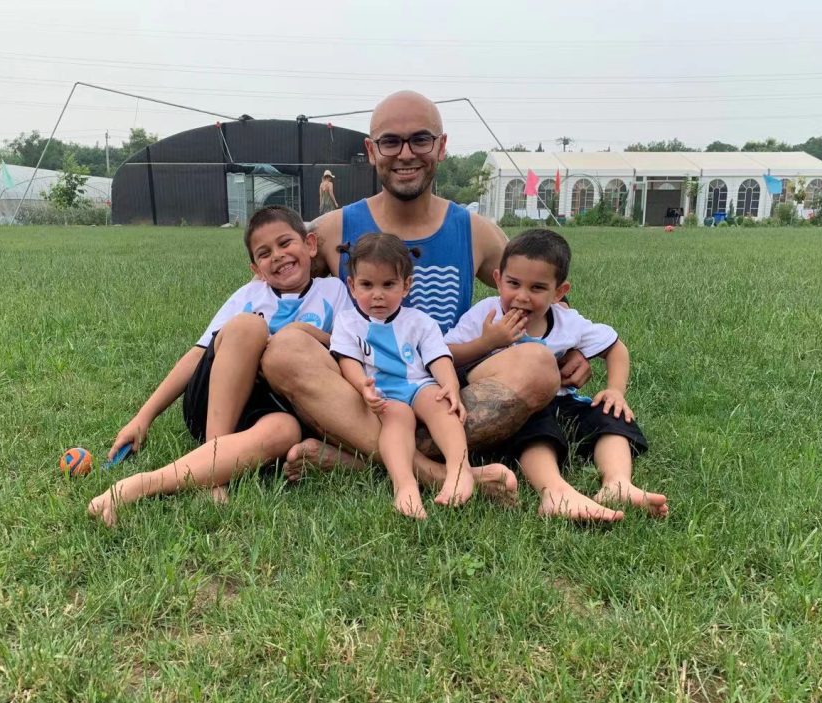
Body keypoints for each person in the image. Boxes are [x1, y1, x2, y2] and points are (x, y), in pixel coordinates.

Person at [262, 90, 590, 495]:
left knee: (538, 365)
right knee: (283, 350)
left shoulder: (475, 231)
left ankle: (357, 456)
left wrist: (572, 347)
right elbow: (266, 285)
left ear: (441, 146)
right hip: (361, 387)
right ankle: (434, 472)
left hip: (449, 384)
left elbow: (537, 287)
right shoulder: (333, 229)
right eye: (390, 141)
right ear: (371, 151)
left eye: (420, 139)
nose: (406, 154)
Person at [90, 205, 349, 526]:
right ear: (256, 268)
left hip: (273, 407)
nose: (278, 256)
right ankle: (213, 471)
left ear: (310, 245)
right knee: (248, 327)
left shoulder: (334, 292)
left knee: (287, 431)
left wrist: (302, 332)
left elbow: (344, 349)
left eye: (285, 243)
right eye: (265, 253)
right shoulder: (250, 295)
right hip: (216, 398)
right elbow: (198, 354)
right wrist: (144, 417)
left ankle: (152, 481)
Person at [444, 229, 668, 522]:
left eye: (537, 288)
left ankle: (618, 483)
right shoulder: (486, 314)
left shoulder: (567, 321)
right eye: (513, 283)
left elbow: (616, 348)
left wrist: (615, 390)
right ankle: (553, 490)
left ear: (559, 292)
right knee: (534, 425)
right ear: (498, 279)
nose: (522, 296)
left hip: (562, 401)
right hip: (516, 404)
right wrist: (487, 342)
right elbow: (446, 353)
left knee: (610, 414)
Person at [331, 233, 487, 518]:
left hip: (418, 385)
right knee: (396, 419)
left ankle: (459, 468)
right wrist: (363, 386)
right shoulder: (347, 322)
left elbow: (438, 357)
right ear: (352, 286)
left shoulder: (419, 321)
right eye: (367, 285)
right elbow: (348, 360)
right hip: (383, 392)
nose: (378, 294)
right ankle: (404, 485)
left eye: (388, 284)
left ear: (406, 286)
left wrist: (450, 384)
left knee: (440, 403)